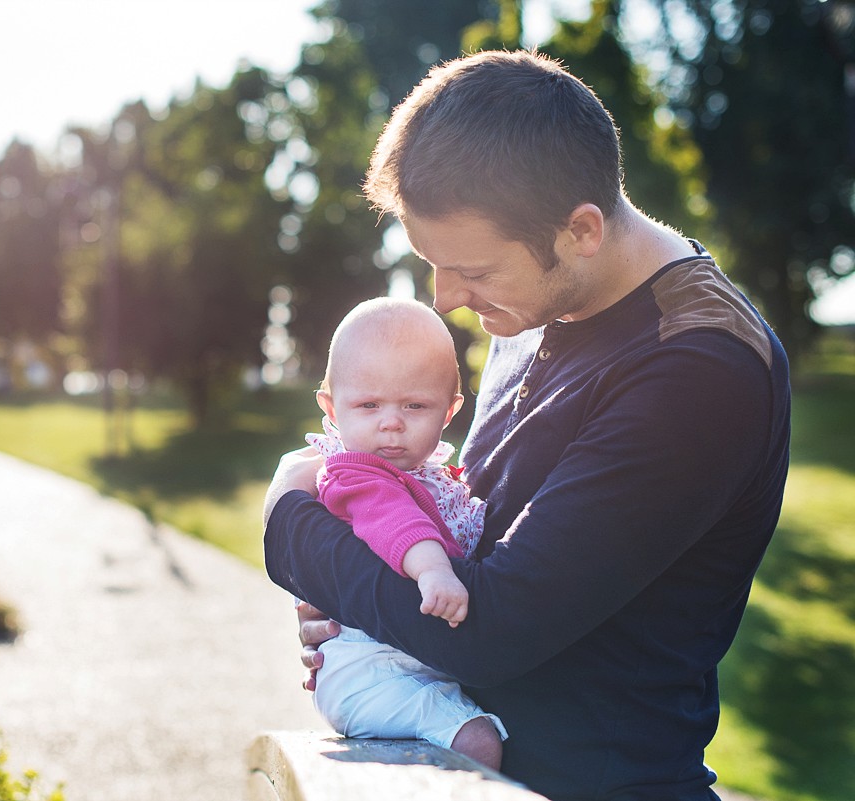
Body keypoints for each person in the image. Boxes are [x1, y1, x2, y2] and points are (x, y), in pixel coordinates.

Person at [262, 49, 791, 801]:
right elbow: (468, 540)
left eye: (472, 271)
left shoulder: (699, 366)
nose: (446, 300)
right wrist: (366, 621)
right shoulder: (531, 308)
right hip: (462, 770)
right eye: (434, 265)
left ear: (580, 230)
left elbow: (494, 629)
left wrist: (291, 518)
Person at [300, 296, 504, 767]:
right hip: (371, 672)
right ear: (331, 407)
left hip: (409, 662)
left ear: (449, 412)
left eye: (415, 405)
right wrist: (434, 570)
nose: (391, 422)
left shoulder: (434, 476)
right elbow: (392, 519)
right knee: (477, 743)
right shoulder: (352, 473)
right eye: (368, 404)